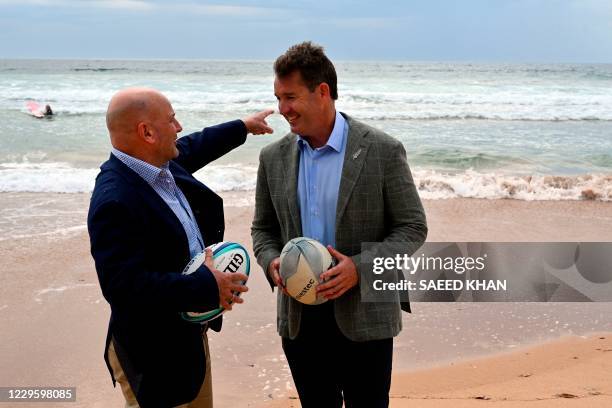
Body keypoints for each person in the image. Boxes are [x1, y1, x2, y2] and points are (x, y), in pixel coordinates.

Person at [251, 42, 427, 407]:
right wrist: (271, 263)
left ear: (323, 92)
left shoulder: (382, 149)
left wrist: (358, 268)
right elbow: (263, 230)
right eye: (278, 98)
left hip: (365, 313)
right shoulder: (273, 157)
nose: (282, 109)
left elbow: (412, 227)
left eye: (290, 97)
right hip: (299, 320)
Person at [88, 87, 273, 408]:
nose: (179, 127)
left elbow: (194, 145)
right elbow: (123, 287)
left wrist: (243, 126)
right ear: (146, 132)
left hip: (186, 337)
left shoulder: (156, 163)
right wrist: (206, 286)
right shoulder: (115, 200)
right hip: (152, 353)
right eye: (172, 120)